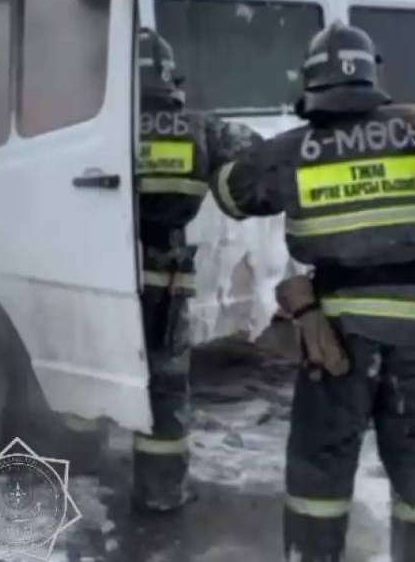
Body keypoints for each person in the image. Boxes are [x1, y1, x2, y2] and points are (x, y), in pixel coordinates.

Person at [206, 21, 415, 561]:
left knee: (320, 466)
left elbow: (233, 195)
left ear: (312, 84)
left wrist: (231, 145)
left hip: (342, 334)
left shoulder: (295, 151)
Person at [131, 27, 261, 512]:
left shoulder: (105, 126)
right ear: (170, 78)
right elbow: (257, 156)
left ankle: (76, 464)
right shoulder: (203, 129)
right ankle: (162, 490)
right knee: (165, 389)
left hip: (103, 274)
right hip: (167, 281)